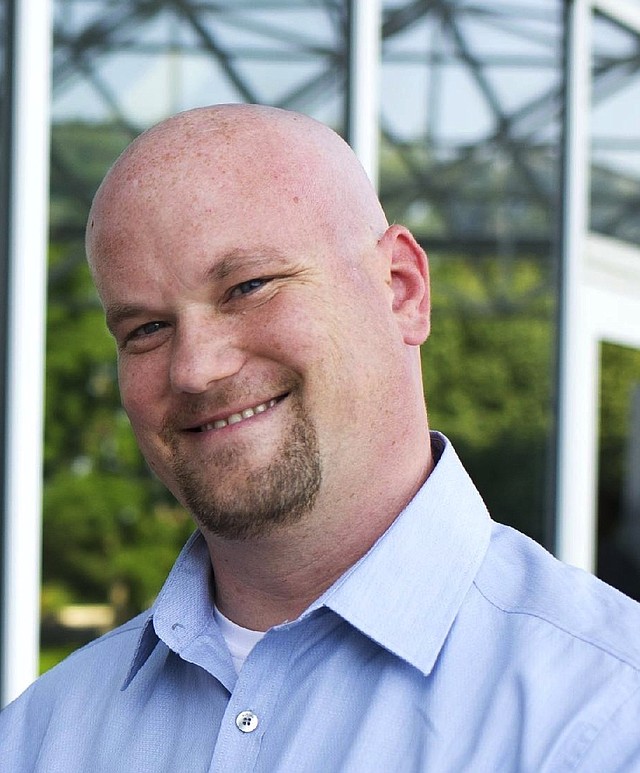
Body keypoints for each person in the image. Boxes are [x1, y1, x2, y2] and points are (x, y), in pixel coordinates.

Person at [2, 104, 640, 772]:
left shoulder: (606, 719)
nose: (194, 368)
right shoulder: (37, 737)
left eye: (248, 286)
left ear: (403, 289)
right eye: (146, 329)